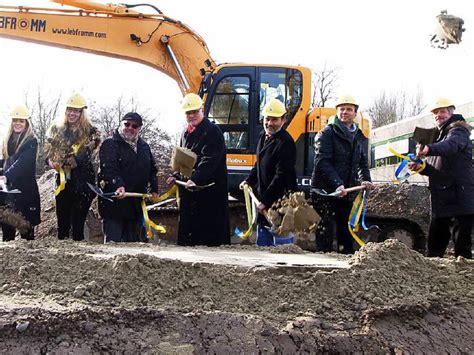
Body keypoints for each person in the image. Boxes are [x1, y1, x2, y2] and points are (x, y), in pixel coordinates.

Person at [408, 97, 473, 259]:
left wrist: (429, 149)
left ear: (451, 112)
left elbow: (451, 146)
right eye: (435, 113)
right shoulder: (437, 136)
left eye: (442, 111)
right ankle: (433, 275)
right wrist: (422, 167)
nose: (438, 115)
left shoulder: (458, 131)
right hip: (442, 195)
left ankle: (463, 279)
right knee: (435, 243)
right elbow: (437, 169)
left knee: (462, 245)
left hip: (460, 194)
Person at [311, 95, 373, 254]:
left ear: (355, 113)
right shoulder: (326, 133)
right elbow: (322, 162)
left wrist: (365, 179)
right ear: (337, 112)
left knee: (345, 230)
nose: (345, 112)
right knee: (326, 229)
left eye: (349, 109)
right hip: (325, 191)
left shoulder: (357, 135)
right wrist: (337, 184)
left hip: (346, 192)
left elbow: (361, 161)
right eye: (342, 109)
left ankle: (346, 266)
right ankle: (322, 263)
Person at [167, 93, 230, 246]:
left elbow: (209, 161)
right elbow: (183, 159)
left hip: (209, 194)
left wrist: (195, 179)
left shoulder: (213, 132)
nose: (192, 115)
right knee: (189, 236)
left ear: (202, 109)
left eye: (195, 111)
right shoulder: (185, 133)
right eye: (188, 113)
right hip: (190, 194)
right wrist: (175, 175)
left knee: (209, 238)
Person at [240, 98, 297, 246]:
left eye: (274, 120)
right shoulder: (263, 136)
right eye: (267, 119)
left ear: (283, 120)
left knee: (282, 245)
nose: (270, 123)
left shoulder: (286, 143)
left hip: (281, 202)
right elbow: (258, 163)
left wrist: (265, 201)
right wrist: (249, 180)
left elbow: (281, 176)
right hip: (264, 199)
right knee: (263, 247)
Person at [45, 93, 101, 241]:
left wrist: (67, 161)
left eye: (76, 110)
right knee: (62, 225)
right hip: (63, 183)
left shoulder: (92, 132)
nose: (72, 113)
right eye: (70, 109)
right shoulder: (57, 130)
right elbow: (47, 152)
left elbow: (85, 154)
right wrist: (50, 162)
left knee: (77, 227)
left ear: (82, 112)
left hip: (83, 183)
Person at [98, 112, 159, 243]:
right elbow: (108, 169)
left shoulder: (144, 147)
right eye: (127, 124)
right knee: (113, 246)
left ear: (139, 129)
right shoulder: (110, 144)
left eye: (135, 126)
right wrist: (118, 185)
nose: (130, 128)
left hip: (135, 208)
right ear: (121, 124)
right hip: (115, 206)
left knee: (135, 248)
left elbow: (152, 170)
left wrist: (154, 189)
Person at [0, 105, 40, 241]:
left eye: (21, 121)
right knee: (7, 233)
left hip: (25, 194)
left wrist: (6, 176)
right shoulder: (6, 141)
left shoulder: (31, 142)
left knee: (27, 235)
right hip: (8, 195)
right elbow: (5, 162)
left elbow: (23, 163)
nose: (18, 123)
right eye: (15, 120)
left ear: (26, 123)